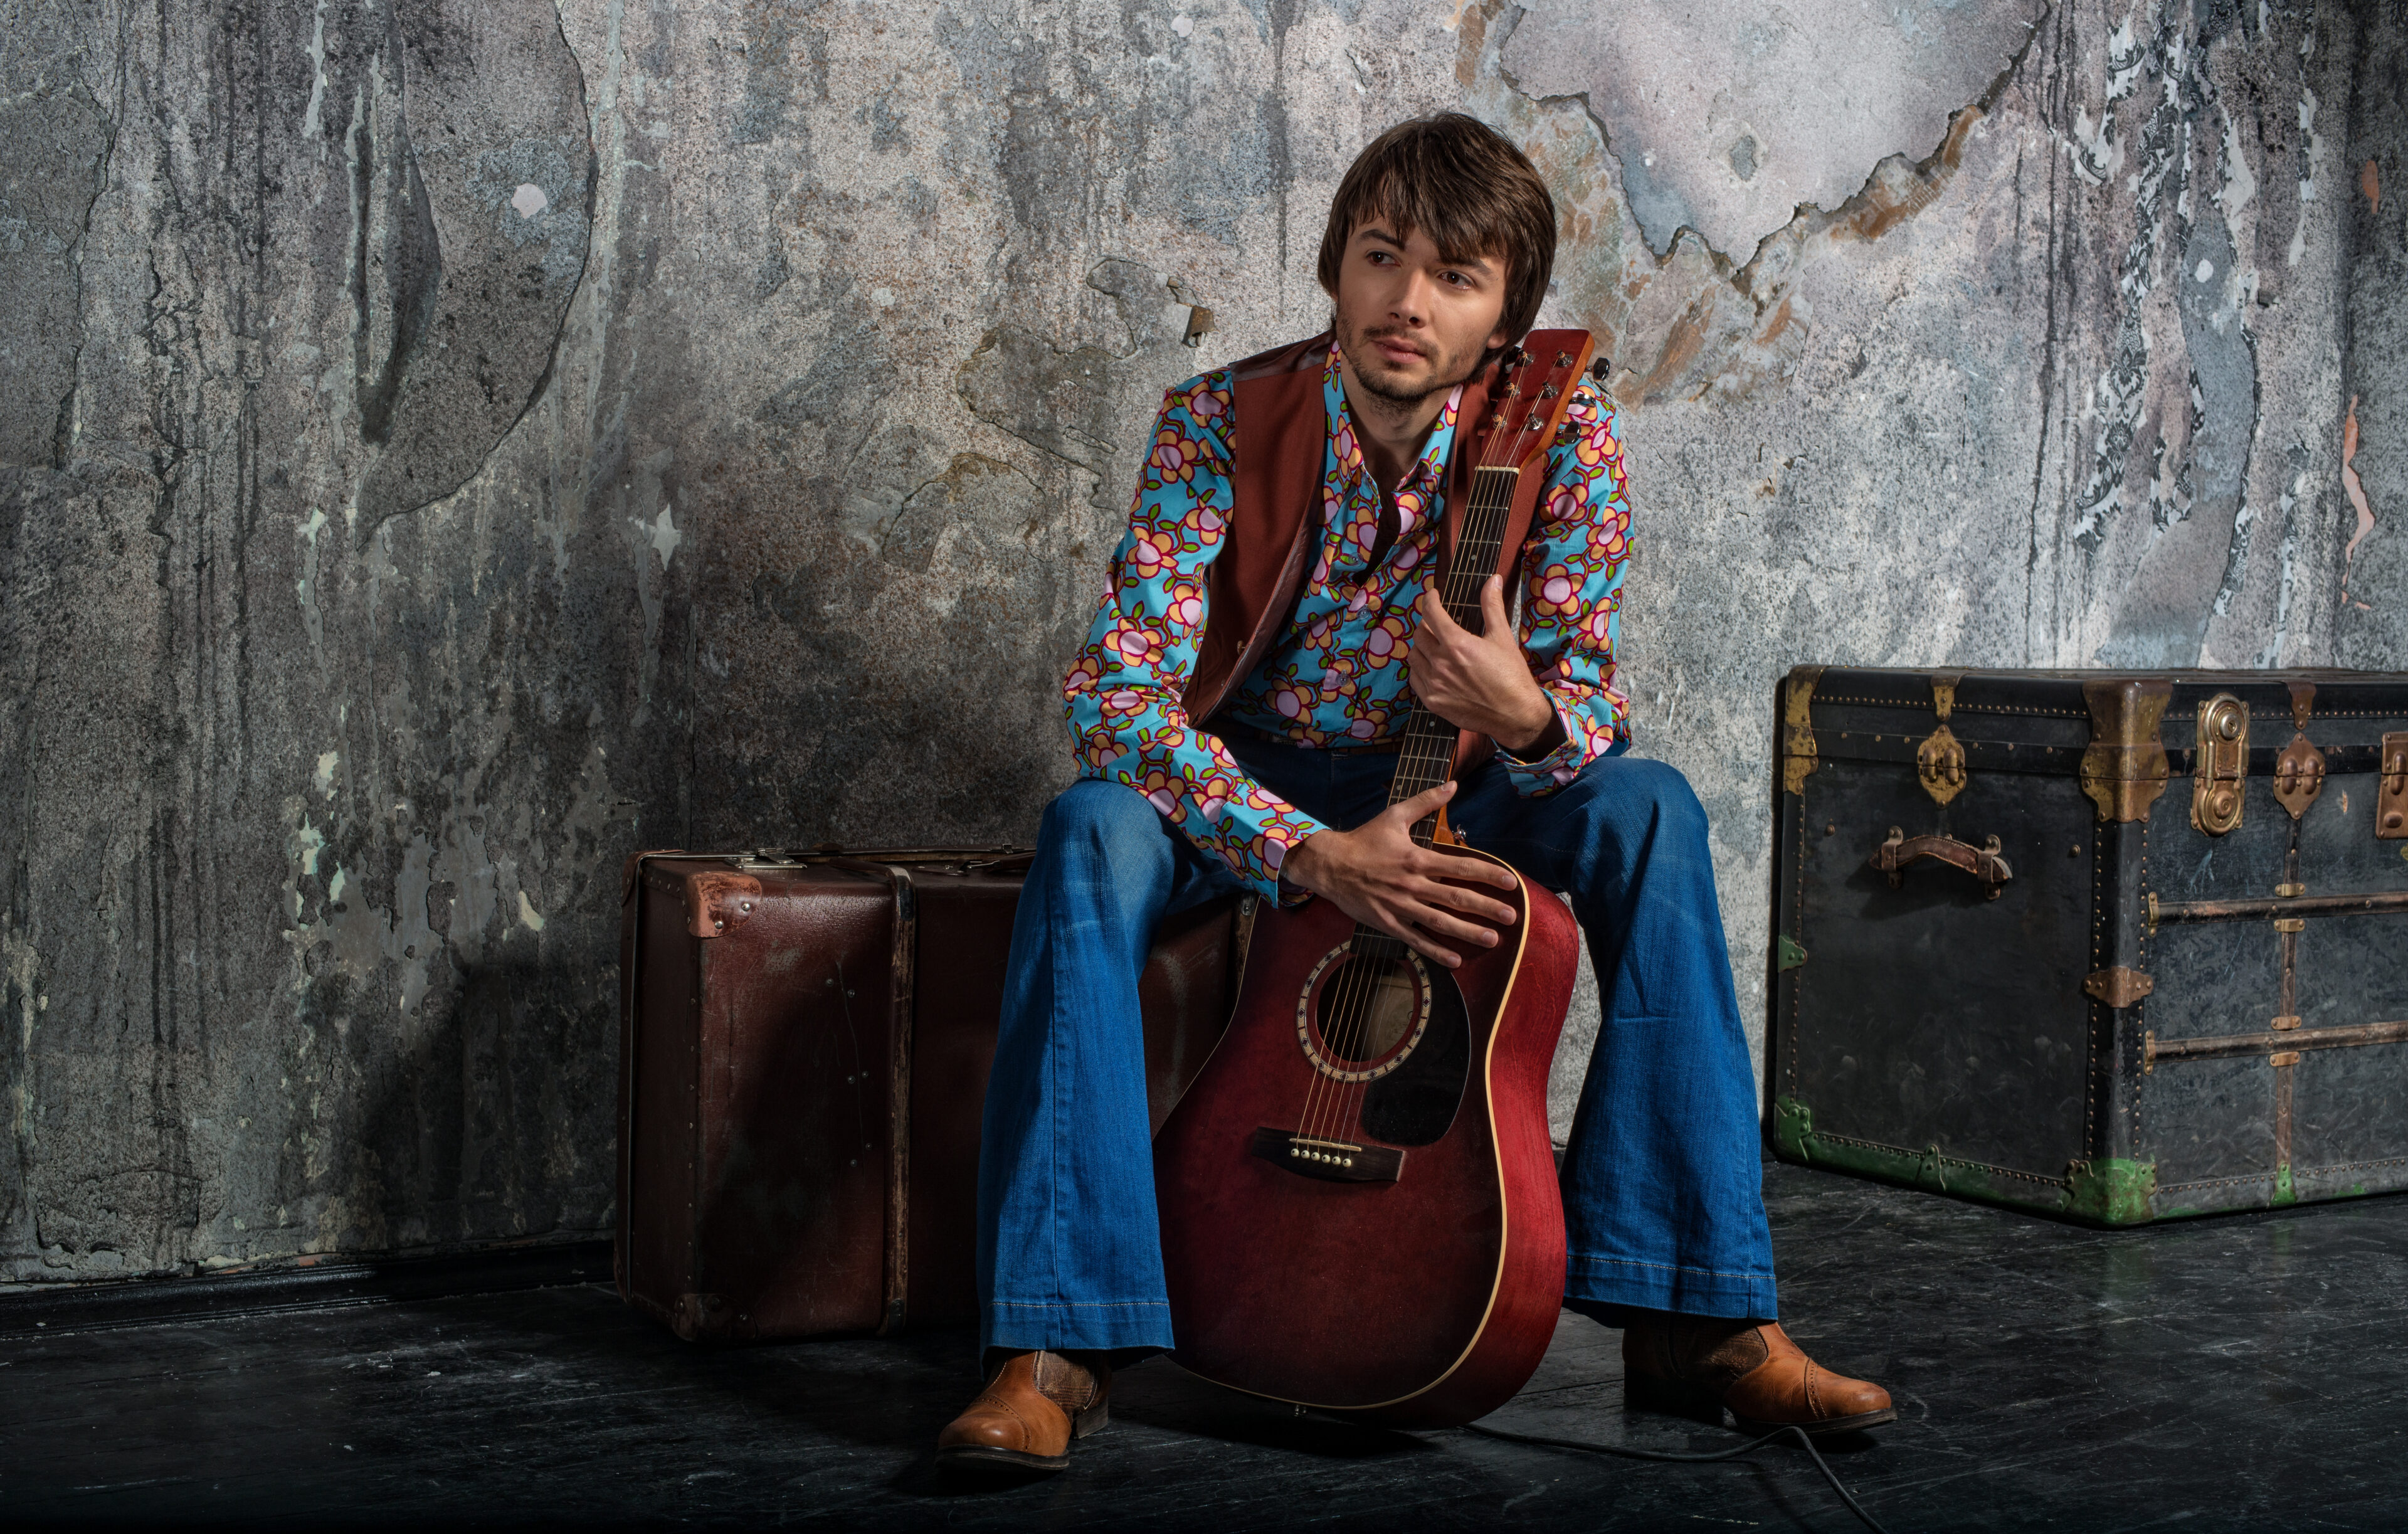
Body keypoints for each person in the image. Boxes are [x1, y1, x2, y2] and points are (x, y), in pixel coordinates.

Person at [936, 112, 1891, 1475]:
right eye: (1382, 256)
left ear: (1509, 317)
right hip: (1255, 778)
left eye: (1457, 275)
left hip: (1466, 781)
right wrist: (1312, 854)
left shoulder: (1568, 443)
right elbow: (1116, 698)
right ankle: (1055, 1342)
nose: (1407, 299)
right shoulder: (1221, 422)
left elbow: (1591, 697)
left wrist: (1530, 712)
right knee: (1088, 829)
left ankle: (1698, 1318)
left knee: (1651, 807)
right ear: (1335, 266)